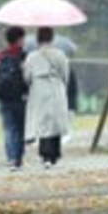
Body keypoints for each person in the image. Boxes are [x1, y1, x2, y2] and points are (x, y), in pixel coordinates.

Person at [23, 27, 71, 168]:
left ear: (38, 38)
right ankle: (55, 153)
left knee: (43, 122)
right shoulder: (60, 55)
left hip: (39, 88)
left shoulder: (32, 56)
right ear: (52, 38)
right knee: (55, 121)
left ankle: (45, 155)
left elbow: (27, 76)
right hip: (56, 87)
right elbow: (65, 73)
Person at [0, 26, 28, 171]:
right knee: (20, 128)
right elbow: (27, 76)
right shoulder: (24, 56)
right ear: (19, 39)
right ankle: (17, 157)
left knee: (8, 127)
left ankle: (10, 157)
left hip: (4, 96)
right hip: (20, 97)